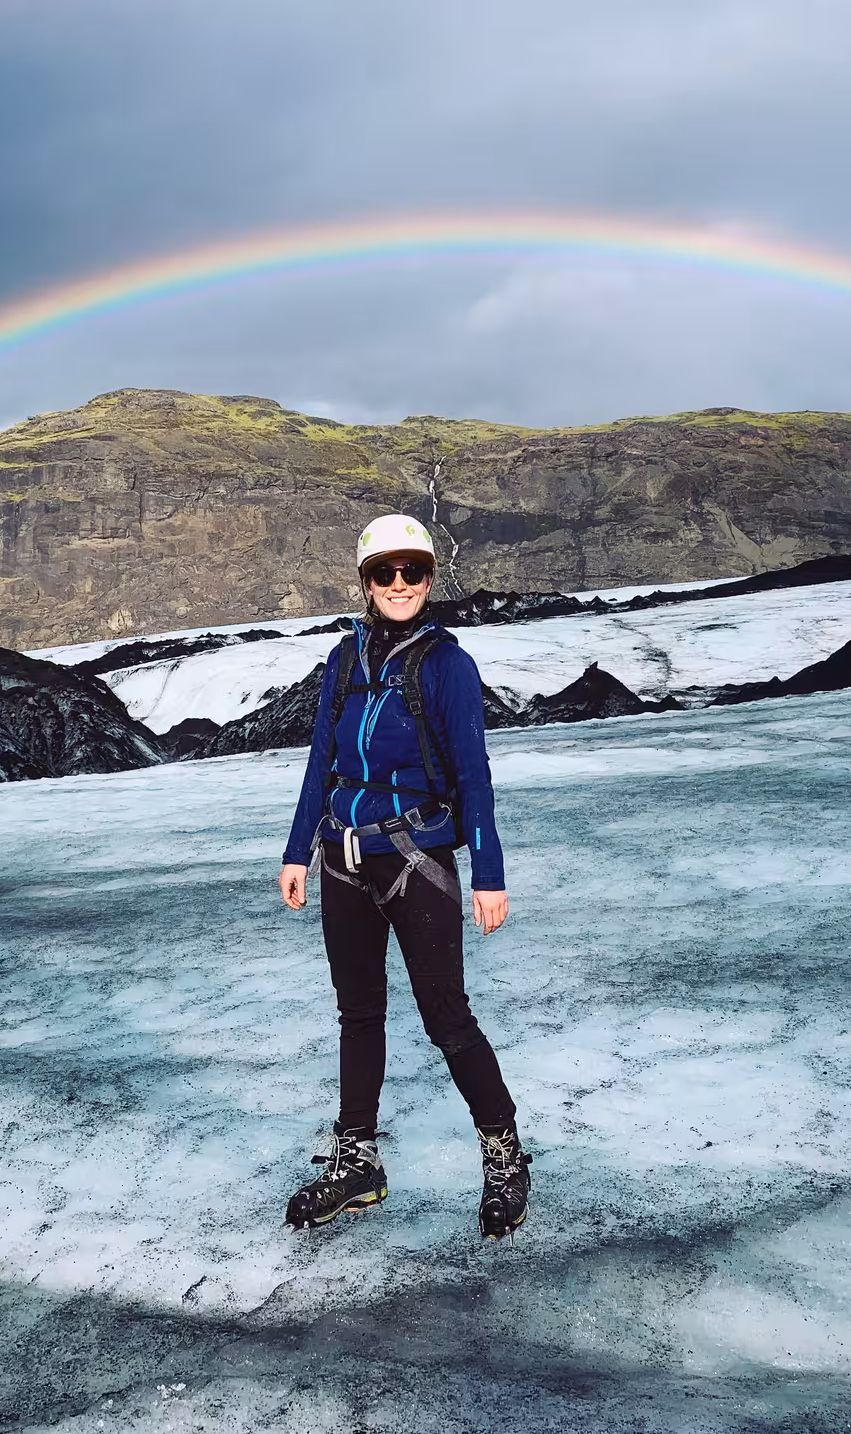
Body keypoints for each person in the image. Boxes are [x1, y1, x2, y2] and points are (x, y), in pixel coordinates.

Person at [277, 514, 531, 1241]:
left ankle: (505, 1159)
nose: (398, 585)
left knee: (446, 1016)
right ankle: (358, 1164)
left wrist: (489, 871)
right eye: (383, 572)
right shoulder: (341, 661)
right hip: (341, 857)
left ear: (428, 578)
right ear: (364, 580)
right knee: (357, 1015)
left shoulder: (447, 664)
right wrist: (299, 851)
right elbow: (320, 763)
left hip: (414, 858)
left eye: (411, 572)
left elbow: (475, 774)